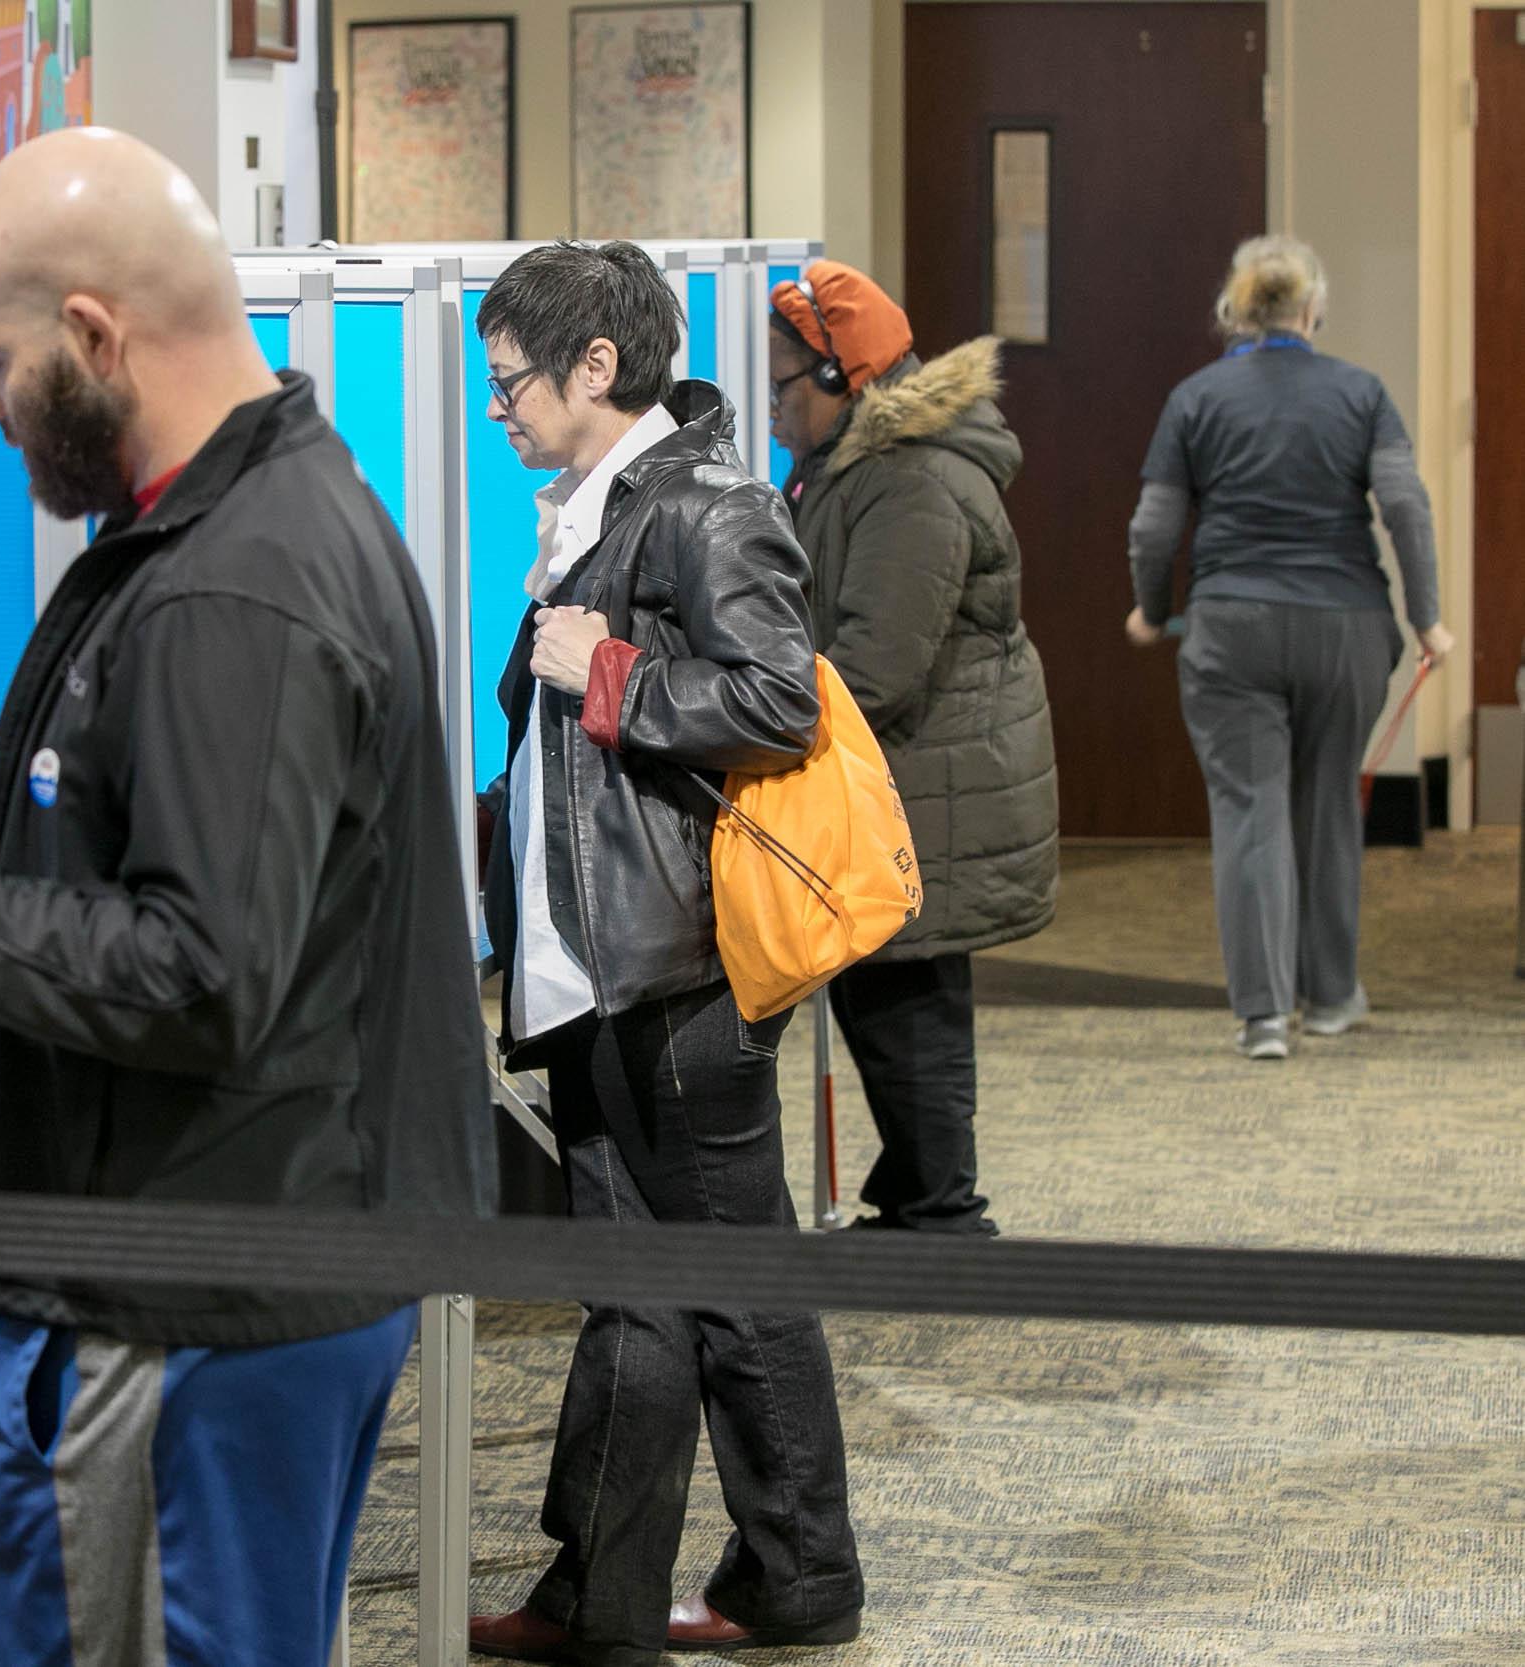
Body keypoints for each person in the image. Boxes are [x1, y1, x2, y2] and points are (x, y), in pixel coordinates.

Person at [0, 129, 495, 1667]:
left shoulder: (235, 580)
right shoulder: (266, 518)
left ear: (90, 332)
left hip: (180, 1294)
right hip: (241, 1262)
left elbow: (199, 970)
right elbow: (236, 874)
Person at [463, 241, 864, 1665]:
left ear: (596, 367)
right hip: (604, 970)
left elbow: (778, 699)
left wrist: (611, 672)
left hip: (675, 974)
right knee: (656, 1289)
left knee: (722, 1287)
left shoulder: (705, 507)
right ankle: (618, 1595)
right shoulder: (600, 505)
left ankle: (782, 1573)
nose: (494, 408)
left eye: (510, 380)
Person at [765, 260, 1058, 1236]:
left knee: (908, 1004)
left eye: (781, 384)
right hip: (912, 777)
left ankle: (942, 1216)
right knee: (890, 999)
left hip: (932, 783)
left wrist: (748, 712)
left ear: (845, 381)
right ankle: (920, 1198)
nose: (770, 406)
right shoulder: (862, 468)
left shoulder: (912, 481)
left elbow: (877, 663)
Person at [1124, 235, 1456, 1061]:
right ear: (1313, 312)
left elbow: (1154, 526)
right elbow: (1407, 510)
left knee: (1250, 809)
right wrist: (1429, 620)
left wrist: (1150, 609)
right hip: (1347, 625)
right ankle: (1334, 994)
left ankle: (1265, 1014)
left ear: (1237, 313)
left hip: (1232, 627)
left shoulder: (1195, 398)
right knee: (1329, 802)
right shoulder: (1363, 393)